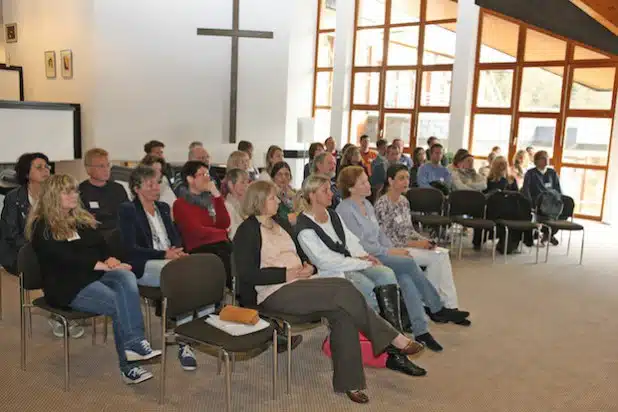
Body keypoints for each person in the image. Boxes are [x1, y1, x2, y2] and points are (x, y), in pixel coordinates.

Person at [233, 180, 426, 403]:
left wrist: (307, 267)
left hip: (299, 286)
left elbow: (303, 256)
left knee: (343, 312)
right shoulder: (246, 231)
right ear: (258, 202)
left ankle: (350, 382)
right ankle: (392, 339)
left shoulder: (281, 224)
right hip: (271, 293)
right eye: (272, 198)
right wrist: (285, 275)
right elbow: (247, 275)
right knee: (343, 288)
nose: (279, 201)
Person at [27, 174, 161, 384]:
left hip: (93, 275)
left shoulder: (80, 219)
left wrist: (111, 259)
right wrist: (100, 264)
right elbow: (65, 258)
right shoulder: (42, 227)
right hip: (66, 286)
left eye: (74, 191)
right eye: (68, 192)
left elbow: (100, 245)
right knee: (119, 302)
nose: (75, 195)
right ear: (53, 196)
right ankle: (129, 366)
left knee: (126, 276)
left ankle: (134, 344)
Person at [295, 175, 433, 357]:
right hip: (333, 273)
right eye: (325, 191)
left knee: (386, 273)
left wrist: (365, 255)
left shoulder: (332, 215)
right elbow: (326, 261)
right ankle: (389, 342)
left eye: (330, 189)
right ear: (312, 195)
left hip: (350, 262)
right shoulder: (304, 227)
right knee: (367, 286)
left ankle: (395, 337)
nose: (331, 194)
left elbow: (350, 240)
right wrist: (362, 262)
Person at [335, 167, 471, 350]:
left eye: (367, 180)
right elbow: (361, 245)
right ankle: (437, 308)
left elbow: (380, 234)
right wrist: (391, 252)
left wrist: (391, 249)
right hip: (364, 257)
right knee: (408, 262)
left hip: (381, 251)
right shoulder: (345, 209)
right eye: (363, 182)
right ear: (351, 188)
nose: (369, 184)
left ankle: (421, 330)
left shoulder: (367, 205)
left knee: (406, 279)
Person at [117, 166, 197, 371]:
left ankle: (186, 335)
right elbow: (130, 249)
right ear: (136, 188)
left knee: (197, 272)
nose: (156, 187)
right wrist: (163, 255)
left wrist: (177, 251)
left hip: (169, 261)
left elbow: (175, 235)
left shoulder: (162, 207)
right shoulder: (128, 209)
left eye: (157, 182)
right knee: (182, 277)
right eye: (150, 184)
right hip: (144, 265)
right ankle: (184, 340)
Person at [0, 153, 83, 338]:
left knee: (72, 259)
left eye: (47, 166)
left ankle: (68, 307)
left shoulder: (54, 196)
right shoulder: (14, 198)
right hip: (21, 253)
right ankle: (58, 313)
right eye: (39, 167)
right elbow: (12, 235)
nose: (46, 170)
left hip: (52, 249)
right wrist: (43, 247)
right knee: (53, 263)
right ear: (27, 173)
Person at [375, 164, 460, 309]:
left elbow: (409, 230)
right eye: (401, 178)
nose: (406, 182)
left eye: (407, 178)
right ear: (390, 181)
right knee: (437, 257)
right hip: (394, 250)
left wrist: (423, 240)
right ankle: (431, 302)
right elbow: (388, 238)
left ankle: (449, 304)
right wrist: (416, 244)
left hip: (409, 244)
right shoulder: (382, 204)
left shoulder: (404, 201)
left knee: (443, 254)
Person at [173, 161, 233, 286]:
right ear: (190, 179)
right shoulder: (180, 203)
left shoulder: (209, 200)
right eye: (202, 174)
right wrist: (222, 233)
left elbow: (224, 223)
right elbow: (197, 231)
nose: (208, 177)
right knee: (223, 255)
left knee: (237, 252)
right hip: (199, 248)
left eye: (207, 174)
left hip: (217, 245)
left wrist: (217, 195)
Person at [79, 148, 128, 239]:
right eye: (101, 166)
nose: (106, 170)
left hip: (121, 237)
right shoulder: (80, 191)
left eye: (108, 165)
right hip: (95, 238)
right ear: (88, 169)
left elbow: (128, 215)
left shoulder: (118, 189)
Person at [522, 150, 562, 246]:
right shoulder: (531, 173)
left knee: (563, 209)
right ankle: (546, 233)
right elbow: (526, 190)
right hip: (537, 202)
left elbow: (558, 189)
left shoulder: (552, 173)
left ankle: (548, 234)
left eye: (547, 158)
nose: (546, 160)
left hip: (551, 202)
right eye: (543, 158)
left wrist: (559, 200)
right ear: (536, 161)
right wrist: (530, 203)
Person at [224, 168, 250, 239]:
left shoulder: (246, 204)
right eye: (242, 182)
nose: (246, 185)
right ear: (231, 184)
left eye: (247, 182)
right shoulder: (227, 206)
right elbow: (233, 235)